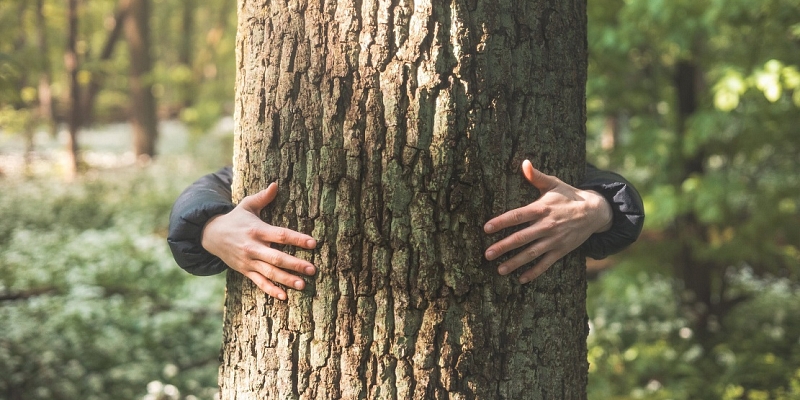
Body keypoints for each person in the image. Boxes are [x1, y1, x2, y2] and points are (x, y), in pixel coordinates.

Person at [168, 160, 644, 300]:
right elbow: (208, 189)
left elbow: (611, 192)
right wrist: (210, 228)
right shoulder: (291, 148)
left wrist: (596, 209)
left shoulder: (513, 140)